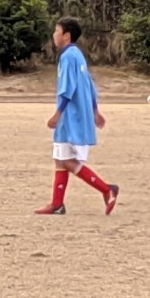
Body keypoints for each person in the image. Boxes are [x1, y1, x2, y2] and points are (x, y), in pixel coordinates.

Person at [34, 17, 119, 216]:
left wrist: (57, 114)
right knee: (60, 158)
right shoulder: (78, 55)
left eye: (57, 31)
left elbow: (67, 88)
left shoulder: (67, 57)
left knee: (68, 160)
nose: (54, 35)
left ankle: (107, 189)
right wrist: (95, 110)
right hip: (79, 113)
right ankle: (57, 204)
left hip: (70, 116)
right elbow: (89, 84)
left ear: (66, 35)